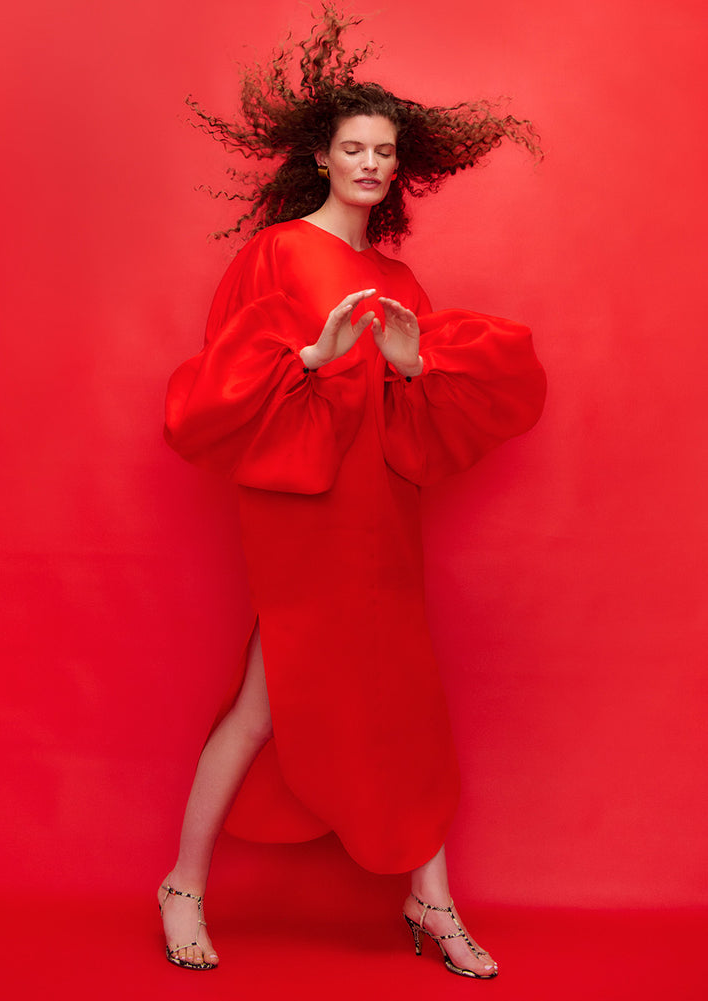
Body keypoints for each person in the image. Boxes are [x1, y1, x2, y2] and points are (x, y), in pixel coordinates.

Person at [160, 6, 546, 980]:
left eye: (384, 152)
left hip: (383, 522)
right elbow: (218, 392)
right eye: (354, 148)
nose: (370, 163)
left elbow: (421, 434)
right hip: (306, 518)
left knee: (403, 702)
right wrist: (311, 354)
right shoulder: (279, 252)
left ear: (397, 167)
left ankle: (430, 899)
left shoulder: (398, 278)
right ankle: (183, 887)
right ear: (321, 157)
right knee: (264, 707)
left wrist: (414, 369)